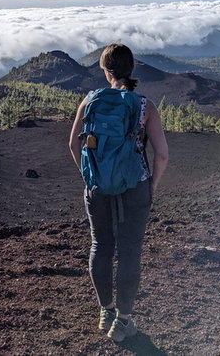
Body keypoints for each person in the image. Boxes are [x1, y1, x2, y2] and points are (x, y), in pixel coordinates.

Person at [69, 43, 169, 342]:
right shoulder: (144, 106)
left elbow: (74, 144)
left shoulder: (89, 101)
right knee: (129, 251)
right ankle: (123, 321)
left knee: (100, 245)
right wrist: (150, 184)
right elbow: (162, 154)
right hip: (134, 186)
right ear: (132, 69)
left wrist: (91, 177)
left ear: (104, 70)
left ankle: (106, 312)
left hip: (98, 187)